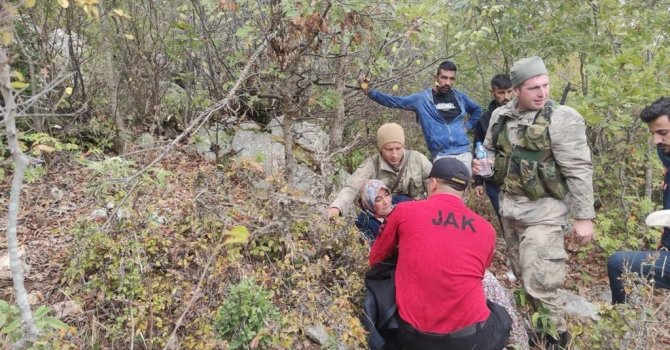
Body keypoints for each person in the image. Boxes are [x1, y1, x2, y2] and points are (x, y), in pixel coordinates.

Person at [473, 56, 596, 344]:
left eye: (545, 85)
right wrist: (484, 167)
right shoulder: (500, 116)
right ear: (515, 90)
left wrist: (584, 217)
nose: (542, 93)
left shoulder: (562, 118)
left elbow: (578, 169)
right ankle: (535, 332)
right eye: (533, 88)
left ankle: (555, 339)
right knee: (522, 275)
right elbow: (490, 152)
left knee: (541, 280)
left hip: (546, 211)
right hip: (510, 209)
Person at [370, 157, 512, 350]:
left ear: (433, 183)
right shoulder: (487, 230)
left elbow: (376, 258)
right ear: (463, 191)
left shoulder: (404, 211)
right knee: (502, 316)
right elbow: (480, 273)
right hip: (469, 339)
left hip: (412, 336)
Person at [361, 61, 482, 169]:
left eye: (451, 79)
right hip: (441, 156)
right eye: (444, 78)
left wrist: (467, 127)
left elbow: (477, 109)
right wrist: (369, 91)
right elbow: (394, 101)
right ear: (436, 77)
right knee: (445, 193)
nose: (447, 83)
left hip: (464, 153)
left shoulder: (459, 96)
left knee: (461, 193)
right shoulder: (422, 99)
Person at [608, 97, 670, 303]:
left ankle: (622, 322)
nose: (656, 141)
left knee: (618, 263)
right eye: (653, 133)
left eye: (663, 133)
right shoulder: (665, 151)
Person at [325, 123, 432, 219]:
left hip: (418, 213)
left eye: (398, 148)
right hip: (386, 218)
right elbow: (352, 187)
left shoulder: (418, 159)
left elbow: (437, 184)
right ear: (380, 148)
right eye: (389, 149)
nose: (394, 155)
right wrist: (336, 207)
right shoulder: (371, 165)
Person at [472, 74, 513, 218]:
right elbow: (478, 149)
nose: (506, 96)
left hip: (517, 177)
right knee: (503, 217)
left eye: (509, 91)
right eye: (501, 92)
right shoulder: (484, 120)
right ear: (493, 92)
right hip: (493, 179)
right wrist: (478, 182)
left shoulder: (522, 115)